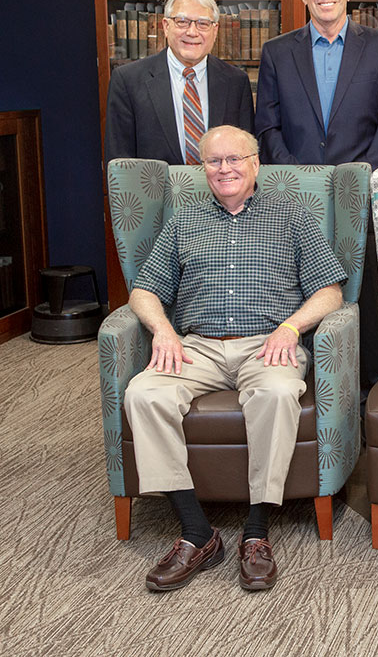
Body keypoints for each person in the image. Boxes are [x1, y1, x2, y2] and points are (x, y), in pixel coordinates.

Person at [123, 125, 346, 593]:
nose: (224, 169)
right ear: (202, 168)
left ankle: (256, 531)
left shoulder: (293, 215)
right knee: (143, 394)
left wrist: (291, 327)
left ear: (255, 163)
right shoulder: (184, 220)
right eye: (213, 161)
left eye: (234, 159)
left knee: (278, 392)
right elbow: (144, 289)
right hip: (197, 344)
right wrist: (163, 330)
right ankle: (197, 533)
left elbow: (330, 290)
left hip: (269, 343)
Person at [255, 0, 378, 397]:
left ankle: (368, 388)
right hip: (292, 198)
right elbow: (267, 124)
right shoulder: (277, 52)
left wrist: (357, 184)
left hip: (362, 197)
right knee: (295, 287)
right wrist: (295, 181)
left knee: (365, 294)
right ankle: (304, 381)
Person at [254, 0, 378, 167]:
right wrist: (296, 176)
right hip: (295, 187)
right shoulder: (276, 53)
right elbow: (268, 127)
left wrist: (361, 176)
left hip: (361, 186)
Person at [105, 0, 253, 164]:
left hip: (220, 191)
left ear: (215, 31)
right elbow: (120, 164)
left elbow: (246, 157)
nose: (192, 32)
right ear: (166, 26)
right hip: (153, 191)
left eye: (203, 23)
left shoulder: (236, 82)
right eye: (182, 21)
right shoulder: (128, 80)